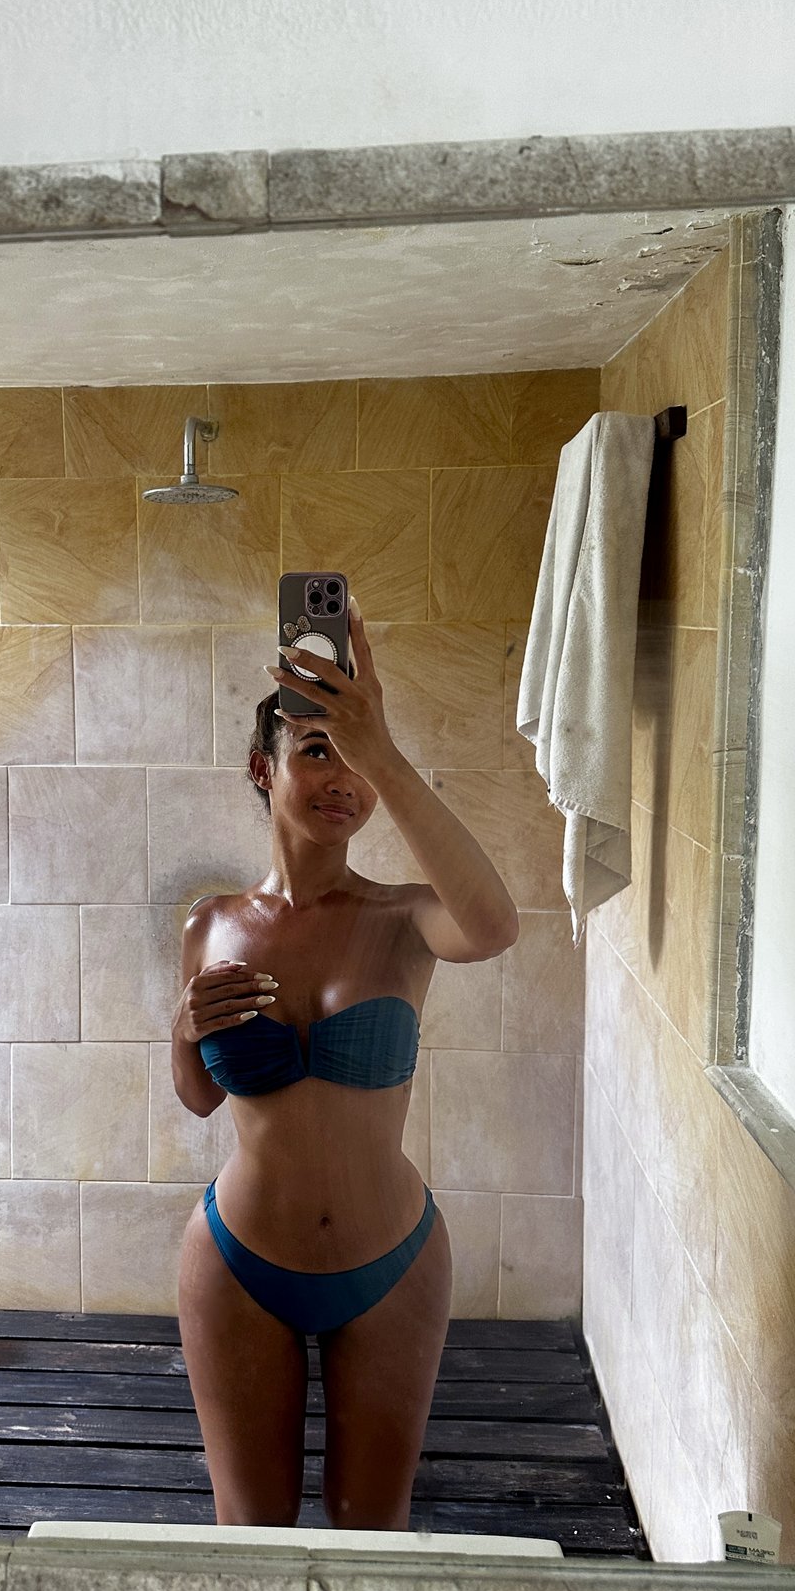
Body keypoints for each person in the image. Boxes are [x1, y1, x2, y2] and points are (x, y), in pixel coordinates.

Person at [173, 597, 521, 1531]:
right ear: (264, 767)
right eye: (318, 749)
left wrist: (386, 752)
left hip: (392, 1262)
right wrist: (180, 1033)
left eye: (357, 756)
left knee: (374, 1535)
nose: (344, 779)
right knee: (252, 1536)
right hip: (238, 1263)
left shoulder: (404, 919)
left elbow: (495, 927)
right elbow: (200, 1097)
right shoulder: (209, 925)